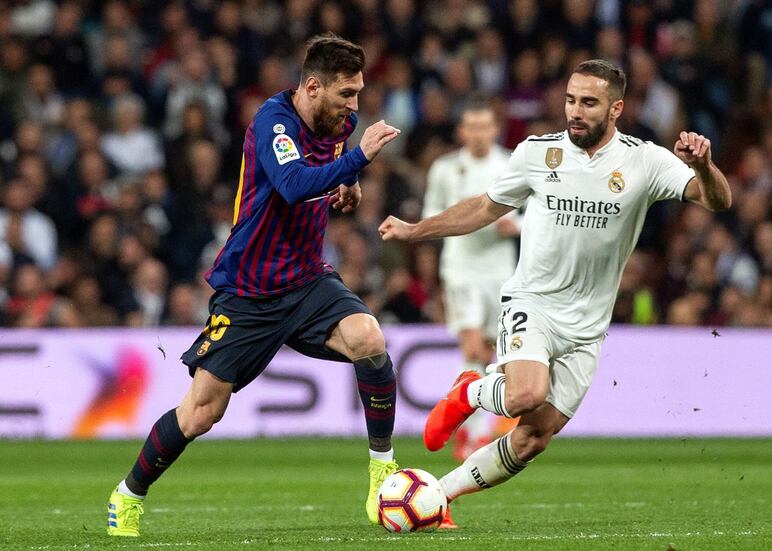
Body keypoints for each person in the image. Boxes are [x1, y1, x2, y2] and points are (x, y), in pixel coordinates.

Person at [379, 59, 731, 525]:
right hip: (533, 303)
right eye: (570, 100)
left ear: (616, 108)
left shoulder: (644, 160)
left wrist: (705, 167)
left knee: (532, 438)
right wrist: (415, 230)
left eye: (589, 102)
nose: (576, 111)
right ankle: (471, 393)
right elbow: (485, 207)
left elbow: (717, 200)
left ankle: (440, 495)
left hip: (588, 328)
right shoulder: (536, 153)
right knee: (525, 394)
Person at [106, 33, 403, 537]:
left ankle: (382, 473)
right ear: (312, 87)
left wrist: (347, 180)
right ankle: (128, 495)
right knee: (201, 413)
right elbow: (290, 186)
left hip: (308, 281)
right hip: (249, 290)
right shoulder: (273, 122)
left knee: (369, 338)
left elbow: (330, 161)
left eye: (357, 93)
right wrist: (359, 162)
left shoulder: (340, 124)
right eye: (346, 94)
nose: (354, 106)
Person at [421, 96, 519, 461]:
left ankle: (476, 430)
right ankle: (470, 434)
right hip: (461, 268)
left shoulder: (510, 164)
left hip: (501, 270)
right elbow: (431, 215)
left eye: (485, 126)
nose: (478, 134)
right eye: (471, 127)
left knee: (495, 353)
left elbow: (533, 212)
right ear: (462, 131)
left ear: (495, 129)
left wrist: (516, 225)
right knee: (473, 348)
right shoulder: (446, 169)